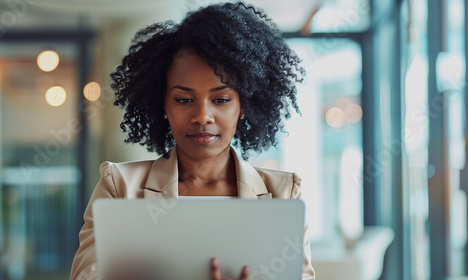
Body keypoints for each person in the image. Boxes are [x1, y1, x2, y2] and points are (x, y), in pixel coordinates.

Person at [71, 2, 315, 279]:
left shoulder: (283, 194)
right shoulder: (119, 187)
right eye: (184, 100)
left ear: (244, 105)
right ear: (163, 103)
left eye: (221, 100)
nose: (202, 116)